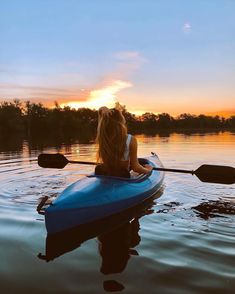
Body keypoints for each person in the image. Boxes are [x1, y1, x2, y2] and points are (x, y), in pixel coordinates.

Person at [95, 103, 153, 178]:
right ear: (120, 121)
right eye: (121, 114)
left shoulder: (103, 137)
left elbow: (101, 116)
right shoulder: (130, 139)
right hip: (123, 175)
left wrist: (103, 108)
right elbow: (135, 167)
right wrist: (148, 170)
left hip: (104, 173)